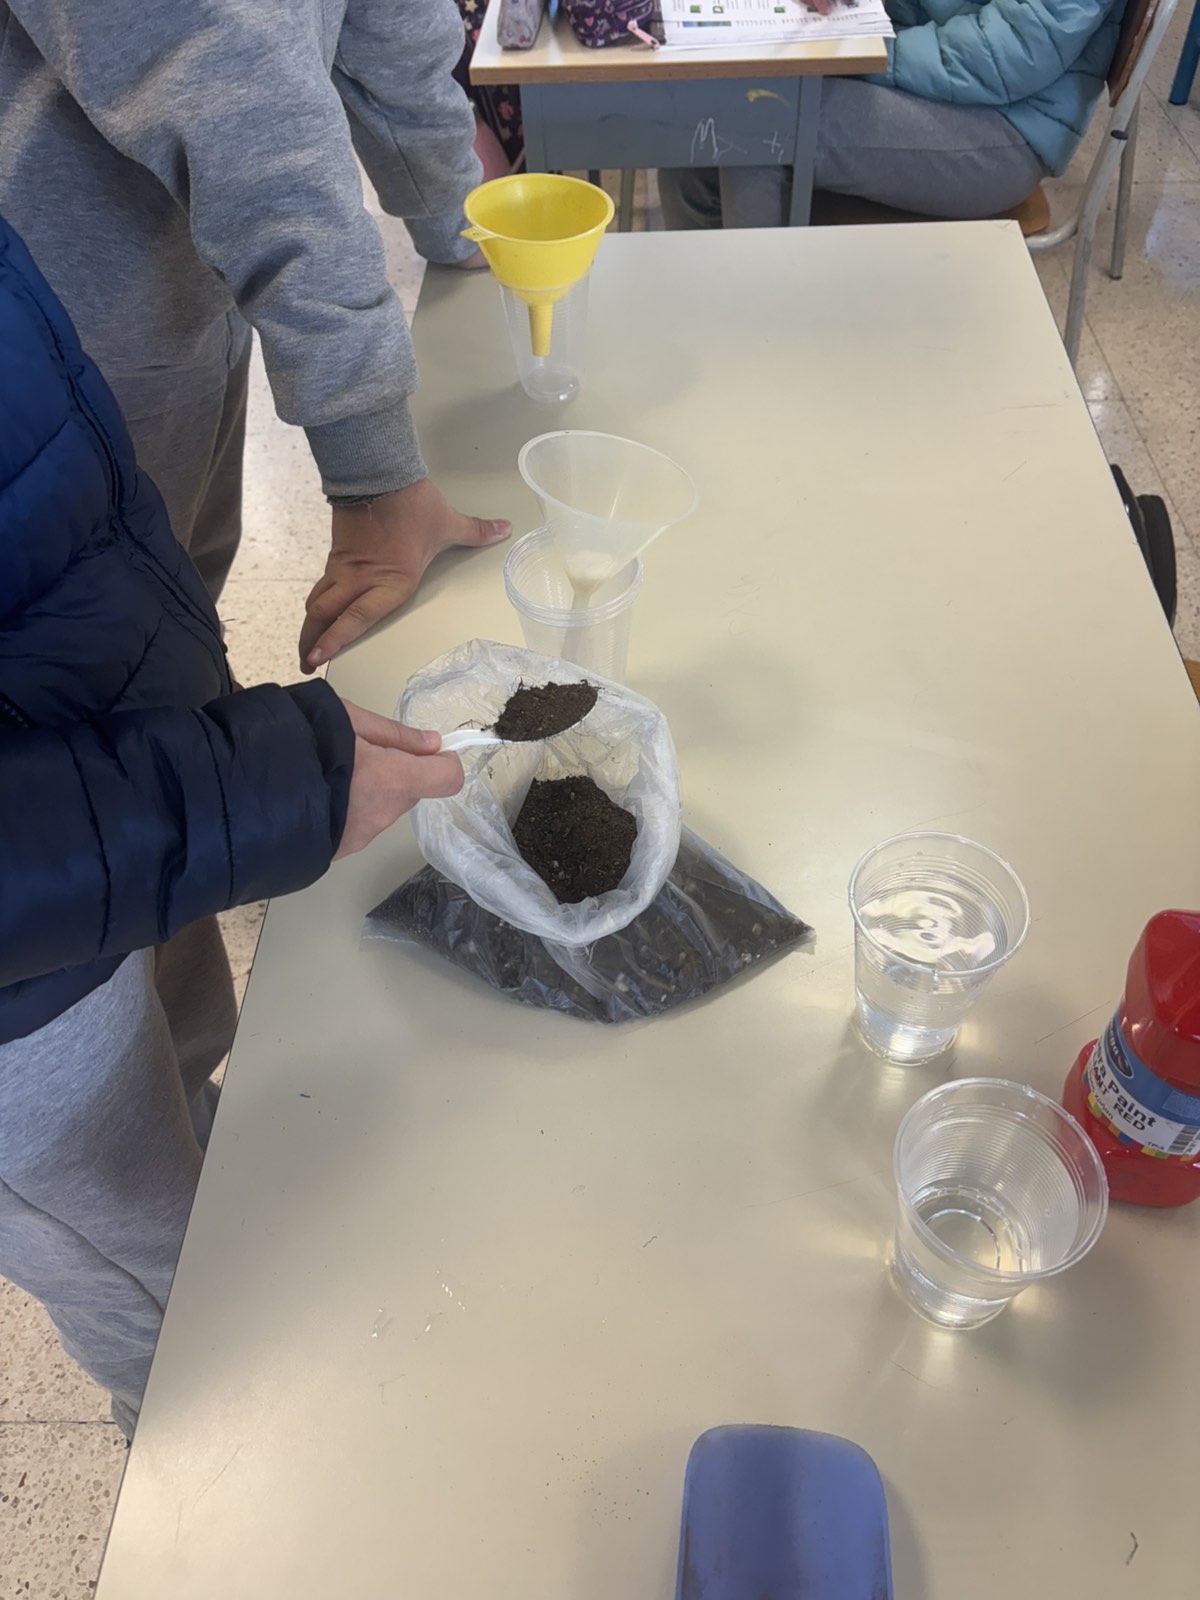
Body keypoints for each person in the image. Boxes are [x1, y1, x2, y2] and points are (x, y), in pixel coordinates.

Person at [0, 215, 465, 1439]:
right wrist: (252, 794)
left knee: (185, 1062)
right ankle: (200, 1459)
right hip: (28, 1000)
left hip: (121, 799)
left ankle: (210, 1169)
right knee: (169, 1289)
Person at [0, 0, 511, 675]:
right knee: (99, 653)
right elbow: (244, 105)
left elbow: (390, 25)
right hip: (64, 324)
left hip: (192, 285)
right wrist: (374, 482)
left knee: (180, 596)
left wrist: (453, 216)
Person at [659, 0, 1124, 229]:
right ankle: (705, 311)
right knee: (699, 119)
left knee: (761, 120)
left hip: (1008, 130)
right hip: (926, 76)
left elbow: (1010, 55)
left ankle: (753, 341)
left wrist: (861, 50)